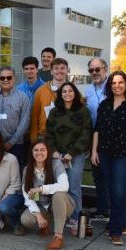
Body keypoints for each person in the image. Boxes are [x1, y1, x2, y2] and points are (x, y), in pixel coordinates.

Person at [91, 71, 126, 246]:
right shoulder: (105, 105)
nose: (117, 86)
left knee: (118, 192)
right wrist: (94, 151)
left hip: (124, 155)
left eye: (120, 82)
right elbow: (97, 129)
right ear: (110, 85)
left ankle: (115, 231)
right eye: (113, 83)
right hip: (104, 153)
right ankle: (123, 223)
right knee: (110, 189)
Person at [45, 81, 91, 234]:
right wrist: (54, 152)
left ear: (75, 92)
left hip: (75, 155)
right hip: (58, 155)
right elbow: (48, 134)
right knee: (59, 186)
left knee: (74, 187)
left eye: (70, 91)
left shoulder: (83, 111)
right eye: (64, 92)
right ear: (60, 94)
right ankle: (62, 216)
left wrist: (72, 153)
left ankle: (76, 218)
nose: (67, 94)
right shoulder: (54, 112)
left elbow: (86, 134)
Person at [20, 140, 73, 250]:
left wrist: (41, 189)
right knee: (26, 219)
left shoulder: (56, 164)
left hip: (63, 204)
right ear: (31, 152)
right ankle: (45, 222)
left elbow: (64, 186)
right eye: (36, 150)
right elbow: (27, 195)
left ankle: (58, 237)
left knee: (58, 195)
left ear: (48, 152)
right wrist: (38, 215)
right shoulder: (27, 169)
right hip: (43, 206)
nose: (39, 153)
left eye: (43, 150)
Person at [0, 67, 31, 168]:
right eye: (2, 78)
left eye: (9, 77)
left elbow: (25, 121)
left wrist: (11, 142)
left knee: (15, 174)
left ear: (14, 78)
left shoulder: (23, 97)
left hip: (16, 145)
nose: (5, 80)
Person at [84, 58, 109, 222]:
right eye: (91, 70)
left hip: (111, 138)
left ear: (105, 69)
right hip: (94, 137)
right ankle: (102, 210)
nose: (94, 73)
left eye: (97, 69)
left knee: (111, 177)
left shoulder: (113, 86)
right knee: (98, 176)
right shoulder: (87, 90)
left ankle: (114, 214)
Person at [30, 58, 69, 142]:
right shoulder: (40, 91)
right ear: (51, 71)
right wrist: (33, 138)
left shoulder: (74, 92)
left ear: (67, 70)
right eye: (56, 68)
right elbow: (35, 116)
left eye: (62, 68)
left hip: (67, 136)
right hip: (44, 136)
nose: (59, 71)